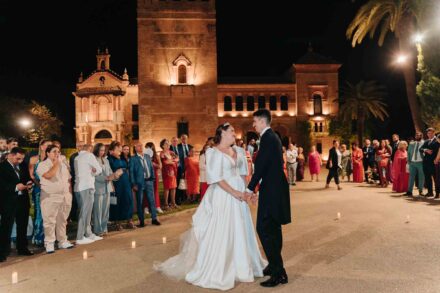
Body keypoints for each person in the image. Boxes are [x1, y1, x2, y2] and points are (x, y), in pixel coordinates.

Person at [155, 122, 267, 290]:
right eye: (231, 131)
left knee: (241, 228)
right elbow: (216, 178)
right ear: (221, 133)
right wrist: (236, 193)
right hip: (223, 195)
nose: (234, 134)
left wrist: (248, 192)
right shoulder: (212, 153)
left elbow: (244, 174)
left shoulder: (239, 151)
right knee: (223, 229)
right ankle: (220, 266)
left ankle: (244, 263)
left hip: (240, 194)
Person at [245, 109, 290, 287]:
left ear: (263, 122)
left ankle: (279, 272)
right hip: (274, 188)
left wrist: (249, 188)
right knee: (274, 228)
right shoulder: (272, 137)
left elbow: (261, 166)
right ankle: (273, 266)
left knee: (264, 229)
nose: (253, 124)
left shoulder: (268, 138)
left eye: (255, 121)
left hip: (272, 190)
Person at [36, 144, 74, 253]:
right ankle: (49, 243)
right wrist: (57, 163)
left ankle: (62, 241)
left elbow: (68, 179)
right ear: (48, 153)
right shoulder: (42, 165)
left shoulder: (63, 164)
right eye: (54, 151)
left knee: (62, 220)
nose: (57, 154)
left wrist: (69, 194)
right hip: (50, 197)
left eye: (58, 151)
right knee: (49, 221)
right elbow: (49, 175)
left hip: (65, 196)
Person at [0, 147, 34, 262]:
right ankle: (3, 252)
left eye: (22, 159)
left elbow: (27, 178)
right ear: (10, 155)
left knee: (22, 225)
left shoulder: (23, 165)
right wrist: (15, 187)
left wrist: (29, 182)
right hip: (8, 202)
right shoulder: (2, 167)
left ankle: (22, 248)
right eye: (18, 159)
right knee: (6, 227)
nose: (20, 161)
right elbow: (2, 186)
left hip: (23, 200)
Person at [74, 144, 103, 244]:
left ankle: (88, 234)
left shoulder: (77, 158)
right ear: (89, 149)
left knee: (85, 211)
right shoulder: (89, 156)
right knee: (85, 212)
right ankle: (80, 237)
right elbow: (99, 169)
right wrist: (93, 172)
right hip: (87, 186)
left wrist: (91, 171)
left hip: (78, 187)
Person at [130, 142, 161, 227]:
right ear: (135, 148)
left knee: (152, 200)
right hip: (139, 183)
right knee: (140, 202)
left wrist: (153, 178)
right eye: (138, 146)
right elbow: (132, 172)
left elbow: (151, 167)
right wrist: (133, 184)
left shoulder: (147, 157)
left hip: (149, 181)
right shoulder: (133, 159)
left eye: (141, 145)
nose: (140, 147)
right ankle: (142, 221)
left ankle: (154, 219)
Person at [93, 143, 121, 236]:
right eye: (101, 150)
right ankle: (97, 230)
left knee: (105, 210)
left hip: (107, 187)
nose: (102, 152)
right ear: (96, 150)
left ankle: (104, 228)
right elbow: (95, 175)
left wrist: (115, 176)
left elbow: (110, 172)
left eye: (104, 150)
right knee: (98, 210)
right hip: (98, 187)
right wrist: (107, 178)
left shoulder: (106, 160)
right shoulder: (93, 160)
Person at [28, 139, 52, 247]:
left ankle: (49, 237)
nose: (49, 147)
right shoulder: (34, 159)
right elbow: (31, 175)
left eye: (50, 145)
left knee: (50, 214)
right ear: (41, 146)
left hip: (51, 189)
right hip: (39, 189)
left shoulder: (51, 160)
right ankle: (38, 237)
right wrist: (39, 185)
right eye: (47, 145)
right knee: (39, 213)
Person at [108, 141, 135, 229]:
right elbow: (109, 172)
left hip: (126, 182)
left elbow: (127, 168)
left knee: (128, 199)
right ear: (112, 150)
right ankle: (117, 222)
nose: (120, 149)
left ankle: (129, 220)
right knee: (117, 201)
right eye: (118, 148)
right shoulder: (110, 159)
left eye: (120, 147)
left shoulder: (122, 158)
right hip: (116, 183)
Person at [420, 128, 440, 198]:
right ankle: (430, 192)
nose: (429, 135)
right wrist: (426, 150)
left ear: (434, 133)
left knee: (436, 178)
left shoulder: (437, 141)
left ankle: (437, 193)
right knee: (427, 178)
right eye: (428, 133)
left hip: (434, 162)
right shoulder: (426, 141)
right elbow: (420, 149)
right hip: (426, 163)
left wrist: (436, 159)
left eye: (431, 133)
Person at [160, 139, 179, 210]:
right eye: (166, 144)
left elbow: (177, 159)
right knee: (167, 188)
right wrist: (172, 161)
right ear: (162, 145)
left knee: (174, 187)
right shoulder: (162, 153)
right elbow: (165, 162)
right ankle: (165, 204)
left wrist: (171, 161)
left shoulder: (171, 152)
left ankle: (173, 203)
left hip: (173, 172)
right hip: (166, 172)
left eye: (168, 143)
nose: (168, 145)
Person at [145, 142, 164, 214]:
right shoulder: (144, 156)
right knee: (146, 191)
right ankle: (146, 207)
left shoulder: (156, 156)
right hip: (146, 175)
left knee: (155, 190)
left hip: (155, 174)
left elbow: (160, 166)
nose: (147, 149)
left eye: (149, 148)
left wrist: (153, 163)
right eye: (146, 148)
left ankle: (157, 206)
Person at [406, 132, 425, 197]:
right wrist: (408, 160)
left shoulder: (424, 143)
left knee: (421, 177)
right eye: (416, 135)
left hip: (421, 162)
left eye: (418, 135)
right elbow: (408, 152)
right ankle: (409, 191)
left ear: (421, 136)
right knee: (411, 177)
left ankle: (420, 191)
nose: (417, 136)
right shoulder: (411, 143)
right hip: (412, 163)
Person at [177, 134, 193, 204]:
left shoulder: (190, 147)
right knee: (181, 182)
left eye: (185, 138)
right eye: (183, 138)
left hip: (190, 167)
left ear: (187, 139)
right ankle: (181, 197)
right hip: (181, 166)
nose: (184, 140)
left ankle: (189, 196)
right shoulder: (178, 147)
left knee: (189, 182)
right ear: (181, 139)